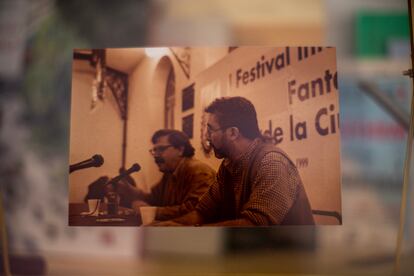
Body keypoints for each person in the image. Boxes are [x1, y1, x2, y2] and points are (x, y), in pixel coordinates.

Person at [156, 97, 315, 226]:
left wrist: (191, 234)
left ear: (233, 133)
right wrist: (174, 225)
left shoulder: (272, 162)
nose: (207, 136)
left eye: (211, 130)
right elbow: (202, 212)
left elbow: (255, 225)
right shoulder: (228, 165)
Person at [115, 129, 216, 222]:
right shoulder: (169, 172)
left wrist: (151, 211)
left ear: (180, 150)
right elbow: (154, 199)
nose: (156, 155)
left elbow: (195, 211)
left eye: (161, 149)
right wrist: (128, 190)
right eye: (154, 150)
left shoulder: (200, 172)